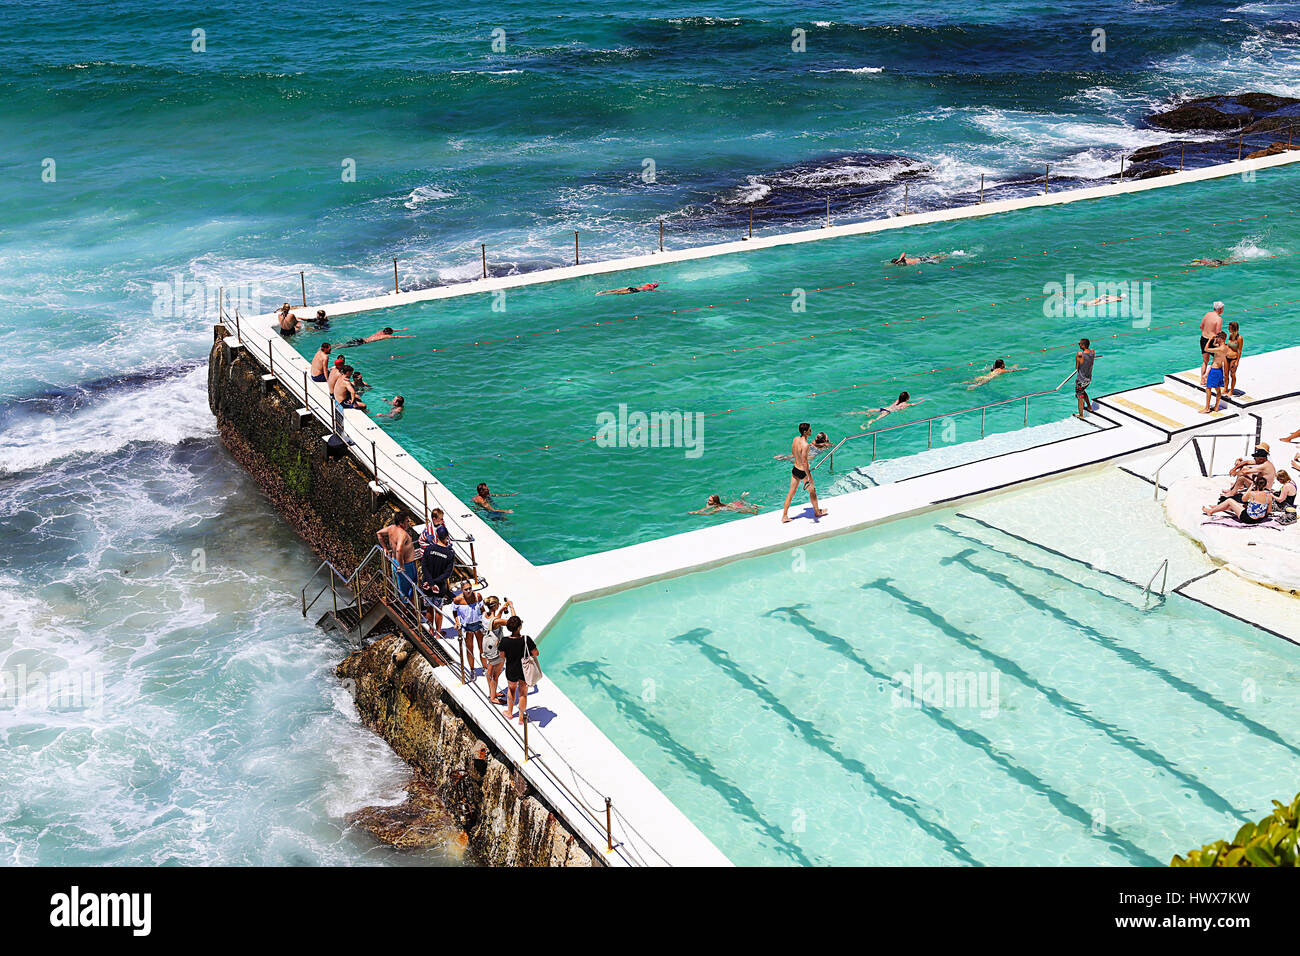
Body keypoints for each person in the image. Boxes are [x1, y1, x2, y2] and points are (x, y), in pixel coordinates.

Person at [781, 422, 828, 524]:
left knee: (791, 493)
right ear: (805, 432)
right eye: (810, 430)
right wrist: (809, 477)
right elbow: (805, 463)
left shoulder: (795, 439)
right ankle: (817, 512)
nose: (811, 432)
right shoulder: (806, 445)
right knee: (812, 491)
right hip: (803, 472)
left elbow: (793, 453)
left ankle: (784, 516)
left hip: (795, 469)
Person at [498, 615, 539, 726]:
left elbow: (502, 655)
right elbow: (536, 653)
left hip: (511, 669)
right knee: (523, 694)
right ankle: (521, 718)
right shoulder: (526, 639)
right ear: (519, 627)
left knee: (511, 690)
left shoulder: (504, 641)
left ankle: (509, 712)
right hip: (524, 671)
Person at [420, 525, 458, 630]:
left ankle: (431, 631)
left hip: (427, 584)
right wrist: (435, 583)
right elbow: (447, 574)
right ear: (446, 537)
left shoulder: (428, 548)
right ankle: (438, 633)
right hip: (440, 587)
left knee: (429, 609)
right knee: (438, 610)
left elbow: (424, 568)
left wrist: (431, 583)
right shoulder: (449, 554)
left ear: (436, 535)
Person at [377, 513, 417, 602]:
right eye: (407, 521)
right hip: (405, 565)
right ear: (401, 523)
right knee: (407, 591)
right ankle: (407, 613)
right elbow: (399, 550)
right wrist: (401, 566)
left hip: (396, 562)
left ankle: (407, 610)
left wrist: (385, 548)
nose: (408, 523)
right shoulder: (403, 534)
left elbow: (379, 533)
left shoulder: (391, 528)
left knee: (403, 589)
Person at [1203, 474, 1273, 525]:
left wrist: (1250, 488)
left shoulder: (1252, 493)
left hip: (1248, 519)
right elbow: (1269, 511)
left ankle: (1211, 511)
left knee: (1229, 501)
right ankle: (1217, 508)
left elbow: (1243, 499)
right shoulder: (1269, 495)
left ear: (1255, 484)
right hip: (1259, 518)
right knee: (1239, 505)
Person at [482, 596, 512, 704]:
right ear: (494, 605)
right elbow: (513, 622)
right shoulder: (496, 621)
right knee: (495, 674)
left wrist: (500, 611)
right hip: (497, 649)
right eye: (498, 604)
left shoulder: (485, 616)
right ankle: (493, 698)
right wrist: (511, 607)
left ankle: (492, 693)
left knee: (490, 671)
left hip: (488, 648)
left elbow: (493, 622)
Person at [453, 582, 486, 673]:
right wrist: (457, 622)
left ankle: (485, 668)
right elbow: (455, 611)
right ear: (461, 590)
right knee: (469, 649)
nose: (468, 591)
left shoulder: (477, 596)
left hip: (478, 624)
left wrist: (486, 620)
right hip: (467, 627)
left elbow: (482, 609)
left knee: (482, 647)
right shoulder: (457, 600)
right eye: (466, 589)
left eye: (470, 588)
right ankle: (472, 670)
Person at [856, 392, 925, 428]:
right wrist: (923, 400)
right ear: (907, 398)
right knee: (876, 419)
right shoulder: (905, 404)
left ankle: (859, 413)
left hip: (884, 408)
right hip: (887, 412)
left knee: (869, 411)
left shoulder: (897, 400)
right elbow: (914, 404)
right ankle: (867, 423)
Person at [1201, 333, 1230, 413]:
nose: (1216, 339)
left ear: (1221, 339)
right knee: (1217, 389)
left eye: (1217, 338)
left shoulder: (1220, 349)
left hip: (1214, 370)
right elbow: (1215, 344)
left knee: (1208, 389)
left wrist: (1210, 339)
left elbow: (1206, 349)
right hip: (1219, 370)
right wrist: (1215, 339)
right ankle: (1216, 407)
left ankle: (1207, 408)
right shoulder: (1226, 347)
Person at [1199, 302, 1224, 385]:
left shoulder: (1207, 314)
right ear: (1220, 309)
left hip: (1203, 339)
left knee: (1205, 361)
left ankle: (1202, 380)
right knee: (1217, 359)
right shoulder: (1218, 318)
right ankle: (1206, 376)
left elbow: (1201, 326)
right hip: (1211, 341)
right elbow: (1218, 332)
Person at [690, 492, 761, 515]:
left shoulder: (718, 508)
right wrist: (697, 511)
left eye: (710, 500)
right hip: (733, 504)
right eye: (708, 500)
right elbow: (705, 508)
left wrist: (697, 513)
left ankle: (755, 507)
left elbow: (708, 513)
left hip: (734, 508)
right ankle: (742, 498)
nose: (708, 501)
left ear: (714, 502)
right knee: (747, 505)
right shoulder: (716, 504)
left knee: (753, 512)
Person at [1075, 338, 1095, 418]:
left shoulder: (1080, 356)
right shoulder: (1092, 352)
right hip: (1088, 379)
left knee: (1080, 397)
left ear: (1083, 345)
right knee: (1083, 391)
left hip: (1081, 380)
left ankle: (1081, 415)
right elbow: (1092, 351)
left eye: (1079, 343)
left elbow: (1077, 368)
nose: (1078, 344)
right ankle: (1089, 407)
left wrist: (1077, 356)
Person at [339, 326, 412, 347]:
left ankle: (334, 346)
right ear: (388, 333)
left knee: (344, 344)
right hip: (362, 343)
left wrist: (402, 329)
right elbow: (396, 337)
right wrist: (407, 336)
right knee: (344, 346)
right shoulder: (385, 336)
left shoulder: (380, 332)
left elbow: (391, 329)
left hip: (361, 339)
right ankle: (335, 347)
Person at [1225, 321, 1244, 396]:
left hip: (1233, 358)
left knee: (1232, 374)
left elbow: (1239, 350)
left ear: (1234, 329)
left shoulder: (1239, 338)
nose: (1228, 329)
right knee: (1225, 374)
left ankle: (1231, 390)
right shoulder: (1230, 335)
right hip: (1226, 357)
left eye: (1230, 328)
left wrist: (1237, 361)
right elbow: (1228, 346)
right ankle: (1226, 389)